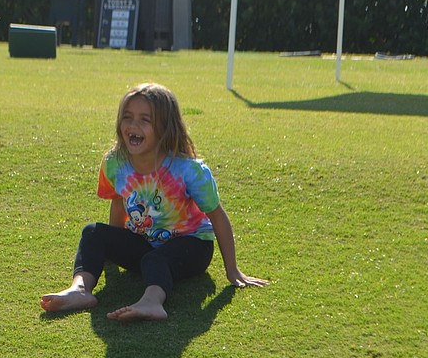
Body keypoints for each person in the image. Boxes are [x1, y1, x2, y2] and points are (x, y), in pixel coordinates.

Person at [41, 82, 268, 321]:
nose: (133, 125)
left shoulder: (189, 170)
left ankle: (152, 302)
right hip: (144, 241)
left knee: (156, 259)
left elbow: (217, 216)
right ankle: (80, 289)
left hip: (191, 246)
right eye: (127, 117)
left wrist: (232, 270)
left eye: (144, 120)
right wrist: (114, 246)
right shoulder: (115, 163)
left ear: (165, 128)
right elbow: (118, 203)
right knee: (93, 232)